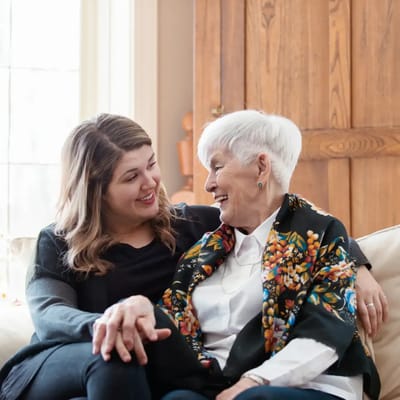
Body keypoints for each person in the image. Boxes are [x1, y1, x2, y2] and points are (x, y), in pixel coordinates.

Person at [0, 112, 385, 400]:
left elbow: (285, 213)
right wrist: (113, 324)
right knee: (115, 354)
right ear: (95, 190)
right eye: (131, 177)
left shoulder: (190, 225)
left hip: (148, 370)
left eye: (151, 164)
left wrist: (357, 262)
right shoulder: (58, 240)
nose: (150, 182)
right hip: (60, 358)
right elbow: (49, 315)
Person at [138, 110, 380, 399]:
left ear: (261, 167)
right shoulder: (204, 250)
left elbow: (325, 333)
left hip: (312, 384)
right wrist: (135, 308)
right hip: (218, 383)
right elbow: (170, 318)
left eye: (217, 167)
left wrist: (252, 382)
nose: (208, 184)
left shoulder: (320, 233)